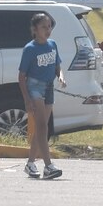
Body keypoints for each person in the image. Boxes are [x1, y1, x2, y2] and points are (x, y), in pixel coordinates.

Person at [19, 13, 67, 180]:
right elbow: (21, 77)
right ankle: (48, 166)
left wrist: (61, 76)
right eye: (43, 27)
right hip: (34, 88)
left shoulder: (52, 45)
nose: (48, 30)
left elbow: (57, 66)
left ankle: (30, 163)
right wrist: (27, 99)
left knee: (42, 128)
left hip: (49, 88)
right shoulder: (30, 49)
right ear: (34, 29)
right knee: (42, 126)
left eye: (49, 27)